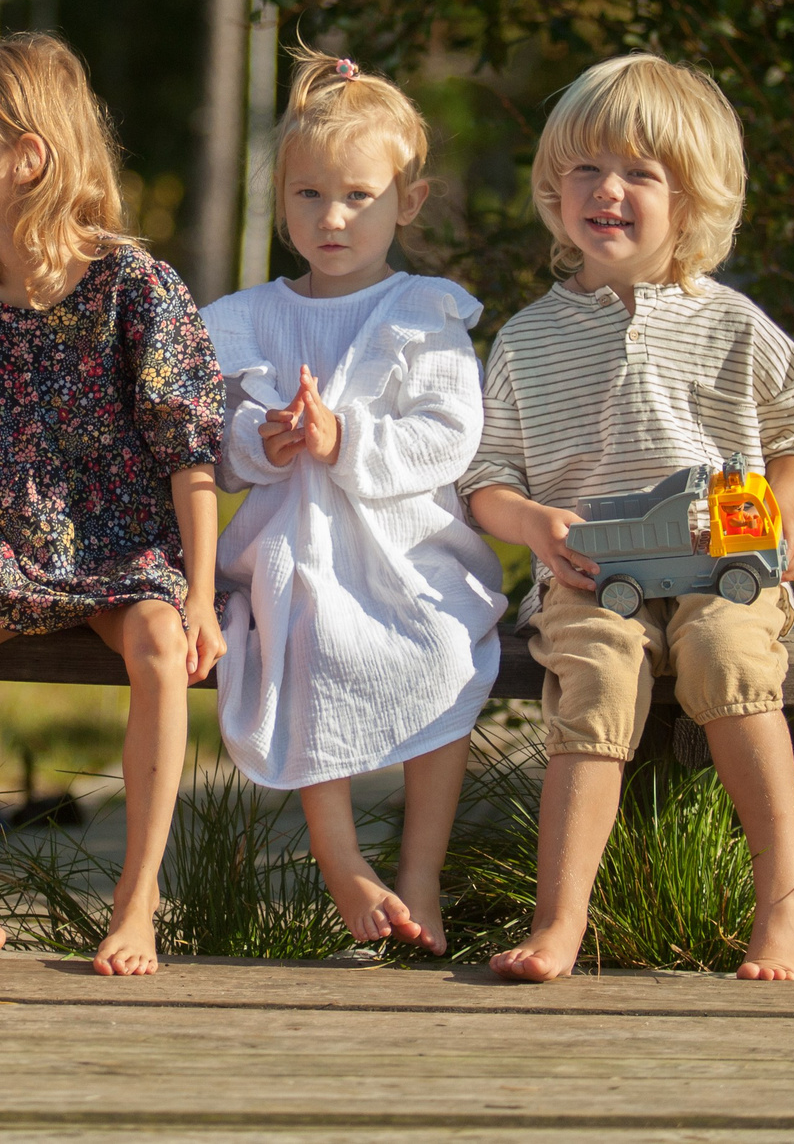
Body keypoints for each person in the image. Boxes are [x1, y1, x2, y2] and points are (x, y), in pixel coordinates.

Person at [458, 53, 794, 983]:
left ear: (692, 199)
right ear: (553, 188)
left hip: (722, 568)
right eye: (585, 168)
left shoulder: (735, 324)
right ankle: (561, 922)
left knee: (727, 656)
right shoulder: (528, 338)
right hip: (594, 573)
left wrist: (781, 515)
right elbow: (486, 474)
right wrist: (535, 524)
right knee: (596, 673)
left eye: (639, 172)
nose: (607, 190)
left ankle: (783, 899)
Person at [0, 34, 223, 975]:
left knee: (163, 645)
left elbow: (188, 452)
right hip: (7, 548)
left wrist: (198, 595)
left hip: (127, 551)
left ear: (28, 157)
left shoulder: (137, 286)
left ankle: (137, 897)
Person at [201, 53, 506, 955]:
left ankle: (420, 870)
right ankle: (341, 861)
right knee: (306, 633)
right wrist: (269, 442)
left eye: (358, 196)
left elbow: (449, 437)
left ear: (407, 201)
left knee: (448, 649)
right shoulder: (251, 316)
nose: (331, 218)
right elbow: (210, 449)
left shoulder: (425, 311)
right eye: (307, 196)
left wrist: (348, 442)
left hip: (408, 551)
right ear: (282, 198)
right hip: (294, 547)